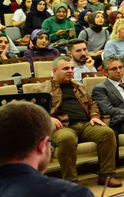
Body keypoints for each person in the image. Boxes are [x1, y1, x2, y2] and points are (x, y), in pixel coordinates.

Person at [41, 55, 120, 187]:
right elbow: (34, 111)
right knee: (66, 138)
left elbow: (92, 104)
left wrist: (94, 116)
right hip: (63, 127)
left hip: (85, 124)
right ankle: (71, 181)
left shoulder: (79, 87)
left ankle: (106, 175)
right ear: (54, 71)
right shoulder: (43, 89)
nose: (70, 71)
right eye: (66, 68)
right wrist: (48, 117)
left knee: (107, 133)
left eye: (72, 68)